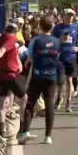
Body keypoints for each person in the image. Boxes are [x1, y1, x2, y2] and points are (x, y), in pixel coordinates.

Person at [18, 15, 61, 145]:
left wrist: (28, 62)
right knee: (49, 105)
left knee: (30, 103)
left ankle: (26, 131)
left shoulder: (35, 41)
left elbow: (29, 56)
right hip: (51, 76)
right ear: (52, 26)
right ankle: (48, 136)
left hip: (37, 76)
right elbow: (58, 58)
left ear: (40, 26)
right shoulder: (57, 41)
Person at [0, 24, 27, 137]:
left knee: (2, 103)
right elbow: (1, 52)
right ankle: (23, 129)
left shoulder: (1, 39)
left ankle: (1, 131)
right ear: (15, 32)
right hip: (10, 75)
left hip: (1, 74)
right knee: (24, 98)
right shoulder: (10, 38)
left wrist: (18, 63)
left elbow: (10, 53)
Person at [51, 9, 78, 113]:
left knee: (69, 79)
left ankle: (68, 102)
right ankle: (58, 99)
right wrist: (59, 40)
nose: (70, 17)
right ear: (64, 16)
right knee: (60, 81)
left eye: (72, 15)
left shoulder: (77, 27)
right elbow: (52, 40)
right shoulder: (58, 27)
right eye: (68, 15)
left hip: (71, 56)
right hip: (60, 56)